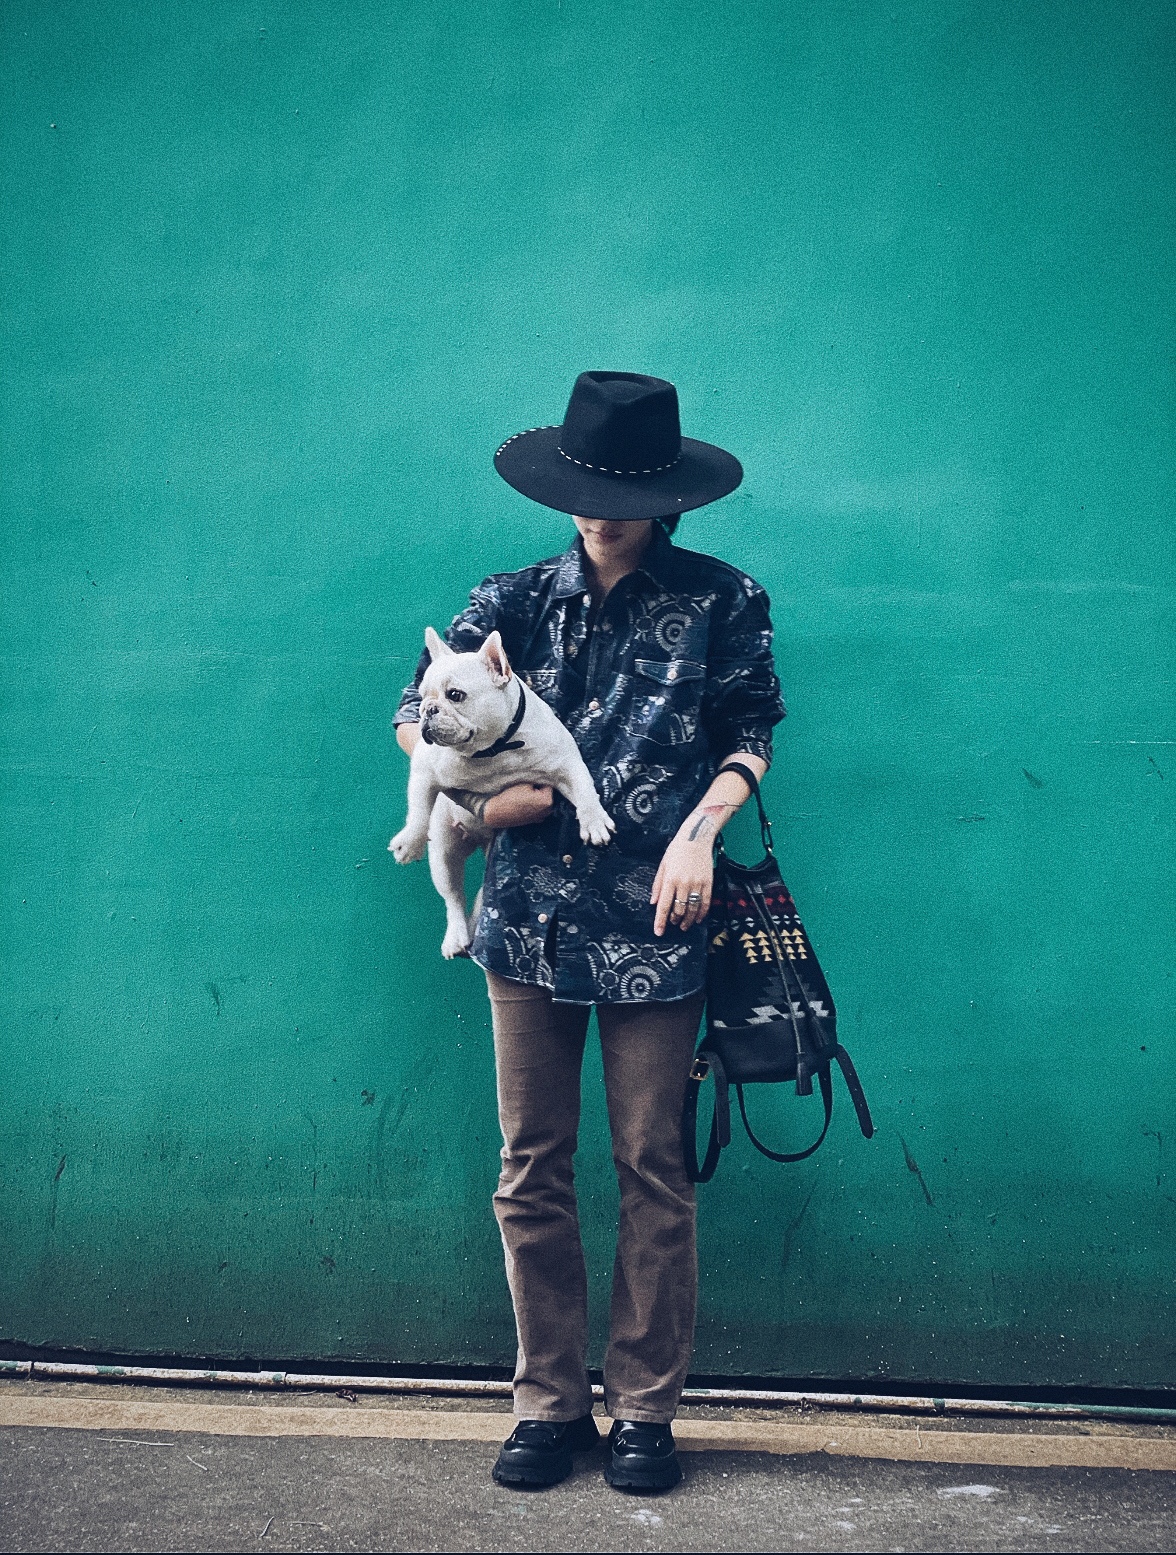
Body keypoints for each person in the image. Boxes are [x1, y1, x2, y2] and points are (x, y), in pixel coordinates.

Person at [394, 371, 785, 1492]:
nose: (601, 515)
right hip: (525, 923)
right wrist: (483, 802)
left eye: (625, 497)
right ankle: (550, 1403)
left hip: (659, 918)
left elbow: (751, 732)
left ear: (669, 499)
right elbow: (414, 717)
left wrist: (701, 832)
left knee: (652, 1163)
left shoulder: (723, 599)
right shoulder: (507, 600)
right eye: (585, 493)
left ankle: (646, 1410)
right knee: (530, 1165)